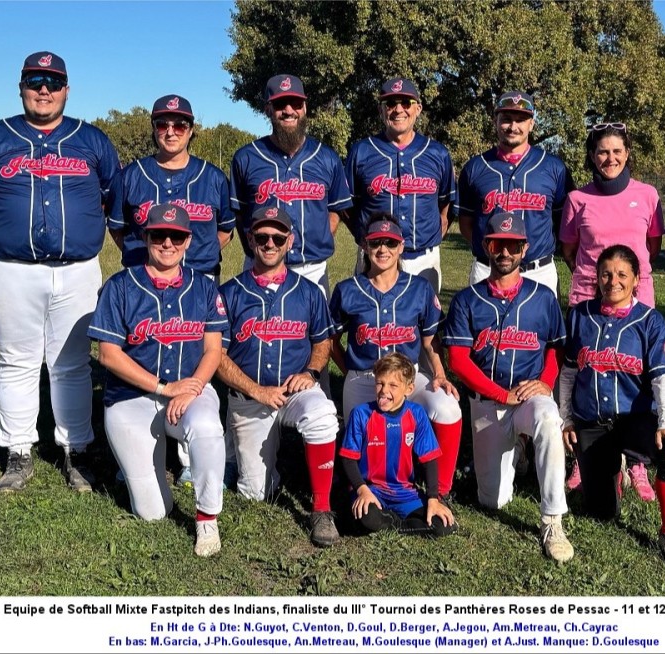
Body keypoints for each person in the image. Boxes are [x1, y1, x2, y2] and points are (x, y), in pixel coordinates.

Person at [0, 51, 120, 493]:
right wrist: (3, 217)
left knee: (72, 365)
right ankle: (18, 449)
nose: (43, 89)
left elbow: (109, 198)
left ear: (66, 88)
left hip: (78, 269)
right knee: (17, 362)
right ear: (21, 85)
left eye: (52, 81)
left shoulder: (92, 140)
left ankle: (77, 449)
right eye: (34, 80)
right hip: (12, 269)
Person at [107, 94, 235, 488]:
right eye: (163, 124)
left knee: (196, 360)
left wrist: (190, 259)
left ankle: (190, 455)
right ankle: (140, 448)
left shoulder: (212, 177)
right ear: (153, 128)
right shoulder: (131, 176)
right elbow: (118, 228)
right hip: (142, 283)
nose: (171, 131)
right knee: (144, 355)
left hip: (198, 281)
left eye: (180, 125)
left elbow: (225, 231)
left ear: (191, 130)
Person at [87, 204, 227, 557]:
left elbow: (213, 350)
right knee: (152, 512)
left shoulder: (205, 288)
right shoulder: (120, 286)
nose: (168, 242)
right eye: (159, 235)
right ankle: (152, 457)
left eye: (176, 235)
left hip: (189, 388)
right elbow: (108, 354)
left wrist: (191, 387)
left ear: (188, 240)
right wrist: (165, 388)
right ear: (145, 237)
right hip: (130, 397)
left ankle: (207, 517)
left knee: (207, 427)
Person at [444, 212, 573, 563]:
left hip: (529, 399)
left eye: (513, 244)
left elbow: (556, 347)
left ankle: (552, 521)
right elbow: (457, 360)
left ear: (524, 249)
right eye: (498, 244)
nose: (505, 251)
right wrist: (501, 395)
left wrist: (545, 384)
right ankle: (516, 450)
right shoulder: (467, 300)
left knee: (548, 420)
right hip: (489, 401)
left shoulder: (543, 296)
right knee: (493, 500)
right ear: (487, 246)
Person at [559, 245, 665, 570]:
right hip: (592, 421)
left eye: (621, 274)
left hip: (636, 420)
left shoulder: (650, 321)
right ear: (596, 277)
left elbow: (662, 376)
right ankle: (611, 472)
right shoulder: (580, 314)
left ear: (635, 280)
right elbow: (568, 372)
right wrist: (566, 419)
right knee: (602, 512)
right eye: (606, 273)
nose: (612, 281)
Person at [215, 207, 341, 547]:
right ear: (251, 240)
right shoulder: (230, 293)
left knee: (323, 416)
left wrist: (312, 371)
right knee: (255, 493)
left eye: (278, 237)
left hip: (293, 389)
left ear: (290, 242)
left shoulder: (309, 291)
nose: (269, 244)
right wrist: (256, 390)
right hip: (249, 396)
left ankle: (321, 509)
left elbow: (322, 340)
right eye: (262, 237)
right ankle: (254, 460)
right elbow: (217, 356)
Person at [559, 122, 665, 501]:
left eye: (617, 150)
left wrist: (626, 282)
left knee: (638, 375)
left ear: (628, 153)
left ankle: (636, 460)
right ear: (592, 156)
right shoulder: (576, 199)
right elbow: (570, 250)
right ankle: (583, 457)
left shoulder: (648, 195)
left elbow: (651, 247)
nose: (610, 158)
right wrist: (594, 280)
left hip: (636, 298)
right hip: (589, 295)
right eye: (602, 151)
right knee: (588, 371)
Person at [329, 214, 462, 501]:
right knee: (361, 464)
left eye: (390, 242)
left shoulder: (419, 288)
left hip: (408, 378)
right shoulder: (347, 290)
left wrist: (439, 373)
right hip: (365, 380)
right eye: (376, 242)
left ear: (401, 247)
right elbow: (329, 341)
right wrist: (349, 370)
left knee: (448, 407)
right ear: (365, 245)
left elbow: (429, 340)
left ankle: (441, 490)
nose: (383, 249)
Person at [229, 74, 352, 296]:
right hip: (259, 268)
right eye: (279, 104)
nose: (288, 110)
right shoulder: (246, 158)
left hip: (312, 269)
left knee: (314, 331)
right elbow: (239, 213)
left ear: (304, 107)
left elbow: (336, 207)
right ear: (268, 109)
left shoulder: (326, 157)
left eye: (295, 103)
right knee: (257, 330)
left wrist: (319, 236)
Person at [344, 78, 456, 293]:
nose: (398, 110)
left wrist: (435, 234)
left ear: (418, 108)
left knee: (423, 324)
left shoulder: (437, 153)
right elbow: (346, 204)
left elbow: (447, 202)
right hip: (375, 255)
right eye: (390, 103)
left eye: (406, 102)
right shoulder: (362, 151)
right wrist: (362, 236)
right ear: (381, 109)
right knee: (370, 322)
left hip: (422, 258)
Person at [456, 91, 573, 291]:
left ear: (532, 124)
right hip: (488, 268)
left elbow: (563, 222)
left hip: (538, 270)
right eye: (506, 119)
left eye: (521, 120)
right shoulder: (475, 167)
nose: (513, 127)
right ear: (495, 121)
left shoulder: (554, 167)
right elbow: (467, 223)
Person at [340, 353, 457, 537]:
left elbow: (429, 459)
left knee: (443, 526)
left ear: (409, 389)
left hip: (404, 493)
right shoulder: (361, 414)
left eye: (393, 385)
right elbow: (348, 460)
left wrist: (433, 499)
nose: (384, 391)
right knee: (366, 517)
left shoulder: (416, 414)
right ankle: (393, 521)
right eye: (380, 383)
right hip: (372, 490)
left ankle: (390, 521)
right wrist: (362, 490)